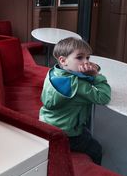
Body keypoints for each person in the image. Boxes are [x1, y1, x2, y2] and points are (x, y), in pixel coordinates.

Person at [39, 37, 111, 165]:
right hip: (66, 134)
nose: (85, 62)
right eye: (80, 58)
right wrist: (97, 76)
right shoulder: (77, 85)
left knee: (86, 132)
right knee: (96, 149)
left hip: (48, 123)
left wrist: (90, 71)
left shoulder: (54, 72)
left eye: (88, 58)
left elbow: (81, 76)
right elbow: (104, 97)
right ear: (63, 60)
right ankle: (94, 172)